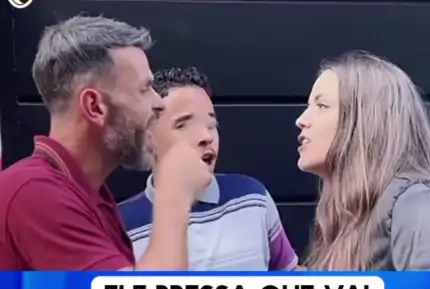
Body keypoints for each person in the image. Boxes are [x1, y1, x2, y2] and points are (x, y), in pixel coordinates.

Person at [0, 15, 211, 271]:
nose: (159, 103)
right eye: (144, 89)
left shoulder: (88, 194)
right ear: (95, 107)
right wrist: (174, 196)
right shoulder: (35, 193)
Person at [296, 51, 430, 271]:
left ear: (367, 119)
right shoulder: (348, 215)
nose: (301, 120)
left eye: (322, 106)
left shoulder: (414, 199)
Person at [120, 67, 298, 271]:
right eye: (183, 125)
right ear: (149, 138)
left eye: (211, 124)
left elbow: (291, 276)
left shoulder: (253, 198)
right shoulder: (121, 225)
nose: (206, 136)